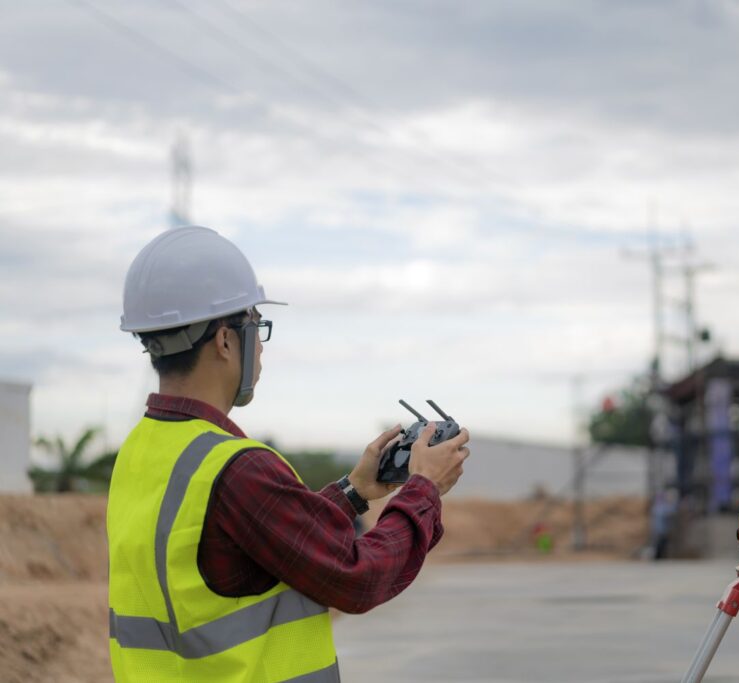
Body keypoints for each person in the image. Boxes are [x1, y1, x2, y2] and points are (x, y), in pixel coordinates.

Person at [106, 226, 471, 682]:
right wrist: (423, 490)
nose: (259, 345)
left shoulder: (142, 451)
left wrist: (353, 492)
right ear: (224, 340)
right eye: (256, 326)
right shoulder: (237, 468)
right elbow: (357, 579)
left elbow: (243, 549)